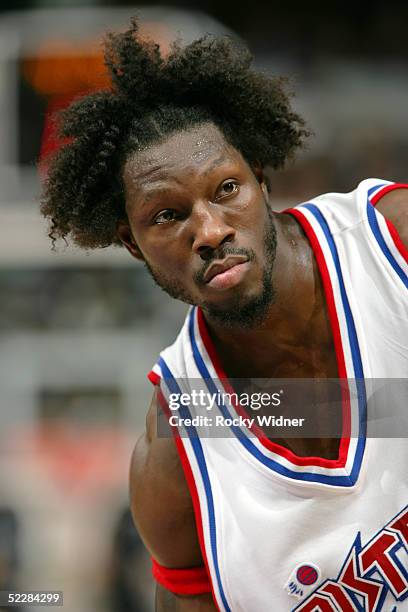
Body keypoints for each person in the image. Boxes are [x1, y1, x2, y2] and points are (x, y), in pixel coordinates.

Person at [40, 18, 408, 611]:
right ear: (132, 245)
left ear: (262, 179)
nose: (209, 231)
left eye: (227, 189)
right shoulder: (173, 460)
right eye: (166, 216)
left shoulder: (392, 243)